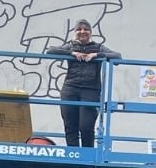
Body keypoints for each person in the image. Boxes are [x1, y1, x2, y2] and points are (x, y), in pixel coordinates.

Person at [46, 19, 121, 147]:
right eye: (79, 29)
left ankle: (88, 157)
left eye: (86, 29)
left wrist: (97, 55)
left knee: (86, 126)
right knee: (70, 126)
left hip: (91, 90)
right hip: (70, 88)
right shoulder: (71, 46)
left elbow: (117, 56)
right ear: (74, 32)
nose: (82, 31)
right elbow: (50, 51)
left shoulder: (98, 47)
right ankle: (73, 155)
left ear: (91, 32)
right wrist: (72, 53)